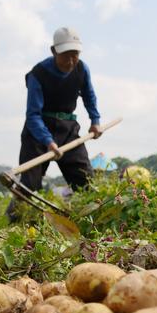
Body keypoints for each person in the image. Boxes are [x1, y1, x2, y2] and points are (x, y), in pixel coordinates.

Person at [7, 26, 102, 221]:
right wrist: (48, 141)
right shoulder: (38, 74)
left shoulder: (82, 69)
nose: (70, 61)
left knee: (85, 181)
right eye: (66, 55)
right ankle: (15, 222)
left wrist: (95, 121)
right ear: (54, 51)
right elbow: (33, 114)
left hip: (68, 129)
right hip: (38, 131)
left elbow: (89, 96)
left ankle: (90, 220)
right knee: (29, 185)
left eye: (75, 55)